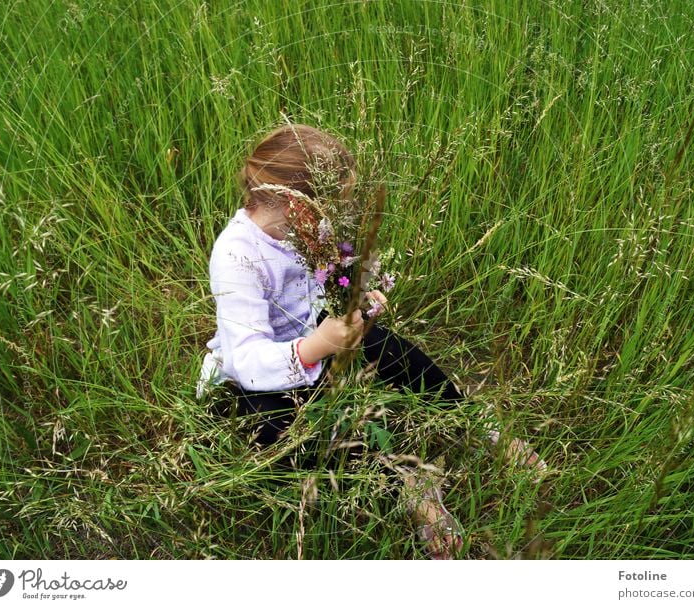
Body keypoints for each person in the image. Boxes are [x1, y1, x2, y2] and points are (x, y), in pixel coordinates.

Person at [197, 123, 546, 559]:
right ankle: (405, 481)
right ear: (293, 201)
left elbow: (323, 287)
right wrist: (319, 347)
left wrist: (357, 301)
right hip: (260, 373)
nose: (333, 217)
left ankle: (472, 420)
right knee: (273, 433)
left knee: (389, 347)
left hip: (315, 338)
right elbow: (246, 359)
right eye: (327, 205)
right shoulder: (236, 254)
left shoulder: (307, 229)